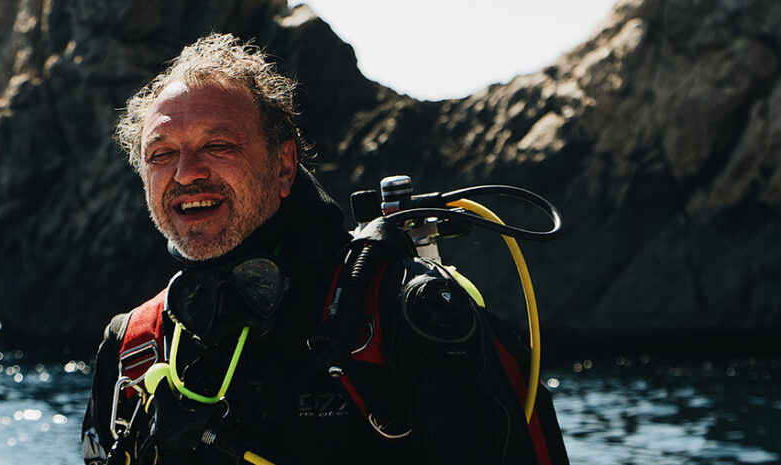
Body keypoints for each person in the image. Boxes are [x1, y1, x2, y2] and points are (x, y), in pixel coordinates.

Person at [82, 33, 569, 465]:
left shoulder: (402, 313)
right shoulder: (131, 349)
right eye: (162, 153)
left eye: (219, 145)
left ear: (284, 166)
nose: (186, 172)